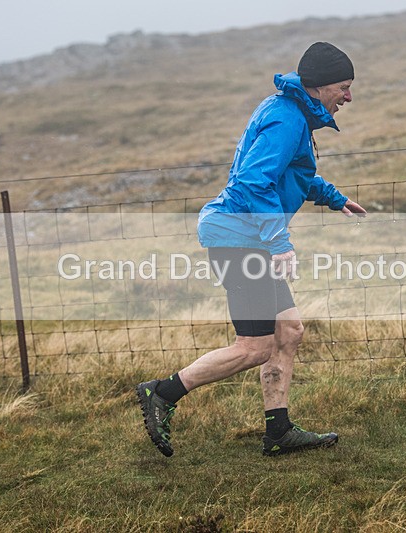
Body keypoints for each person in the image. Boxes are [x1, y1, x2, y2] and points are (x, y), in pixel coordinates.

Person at [136, 42, 367, 457]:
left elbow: (293, 175)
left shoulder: (292, 112)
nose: (348, 97)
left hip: (247, 236)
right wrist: (280, 243)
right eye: (343, 87)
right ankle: (162, 393)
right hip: (240, 239)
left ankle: (278, 432)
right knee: (254, 346)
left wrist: (334, 197)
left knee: (289, 331)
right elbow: (253, 183)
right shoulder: (286, 118)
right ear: (317, 87)